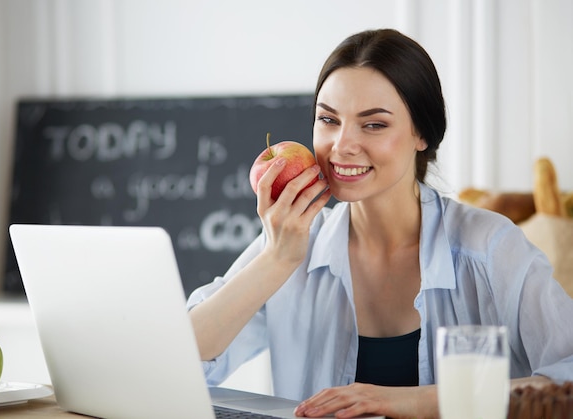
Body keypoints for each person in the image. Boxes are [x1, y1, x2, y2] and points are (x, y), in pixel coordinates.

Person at [187, 28, 573, 418]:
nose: (342, 146)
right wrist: (276, 261)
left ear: (421, 133)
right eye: (328, 120)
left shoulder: (489, 247)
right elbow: (180, 363)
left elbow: (568, 377)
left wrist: (406, 402)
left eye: (373, 124)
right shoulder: (293, 244)